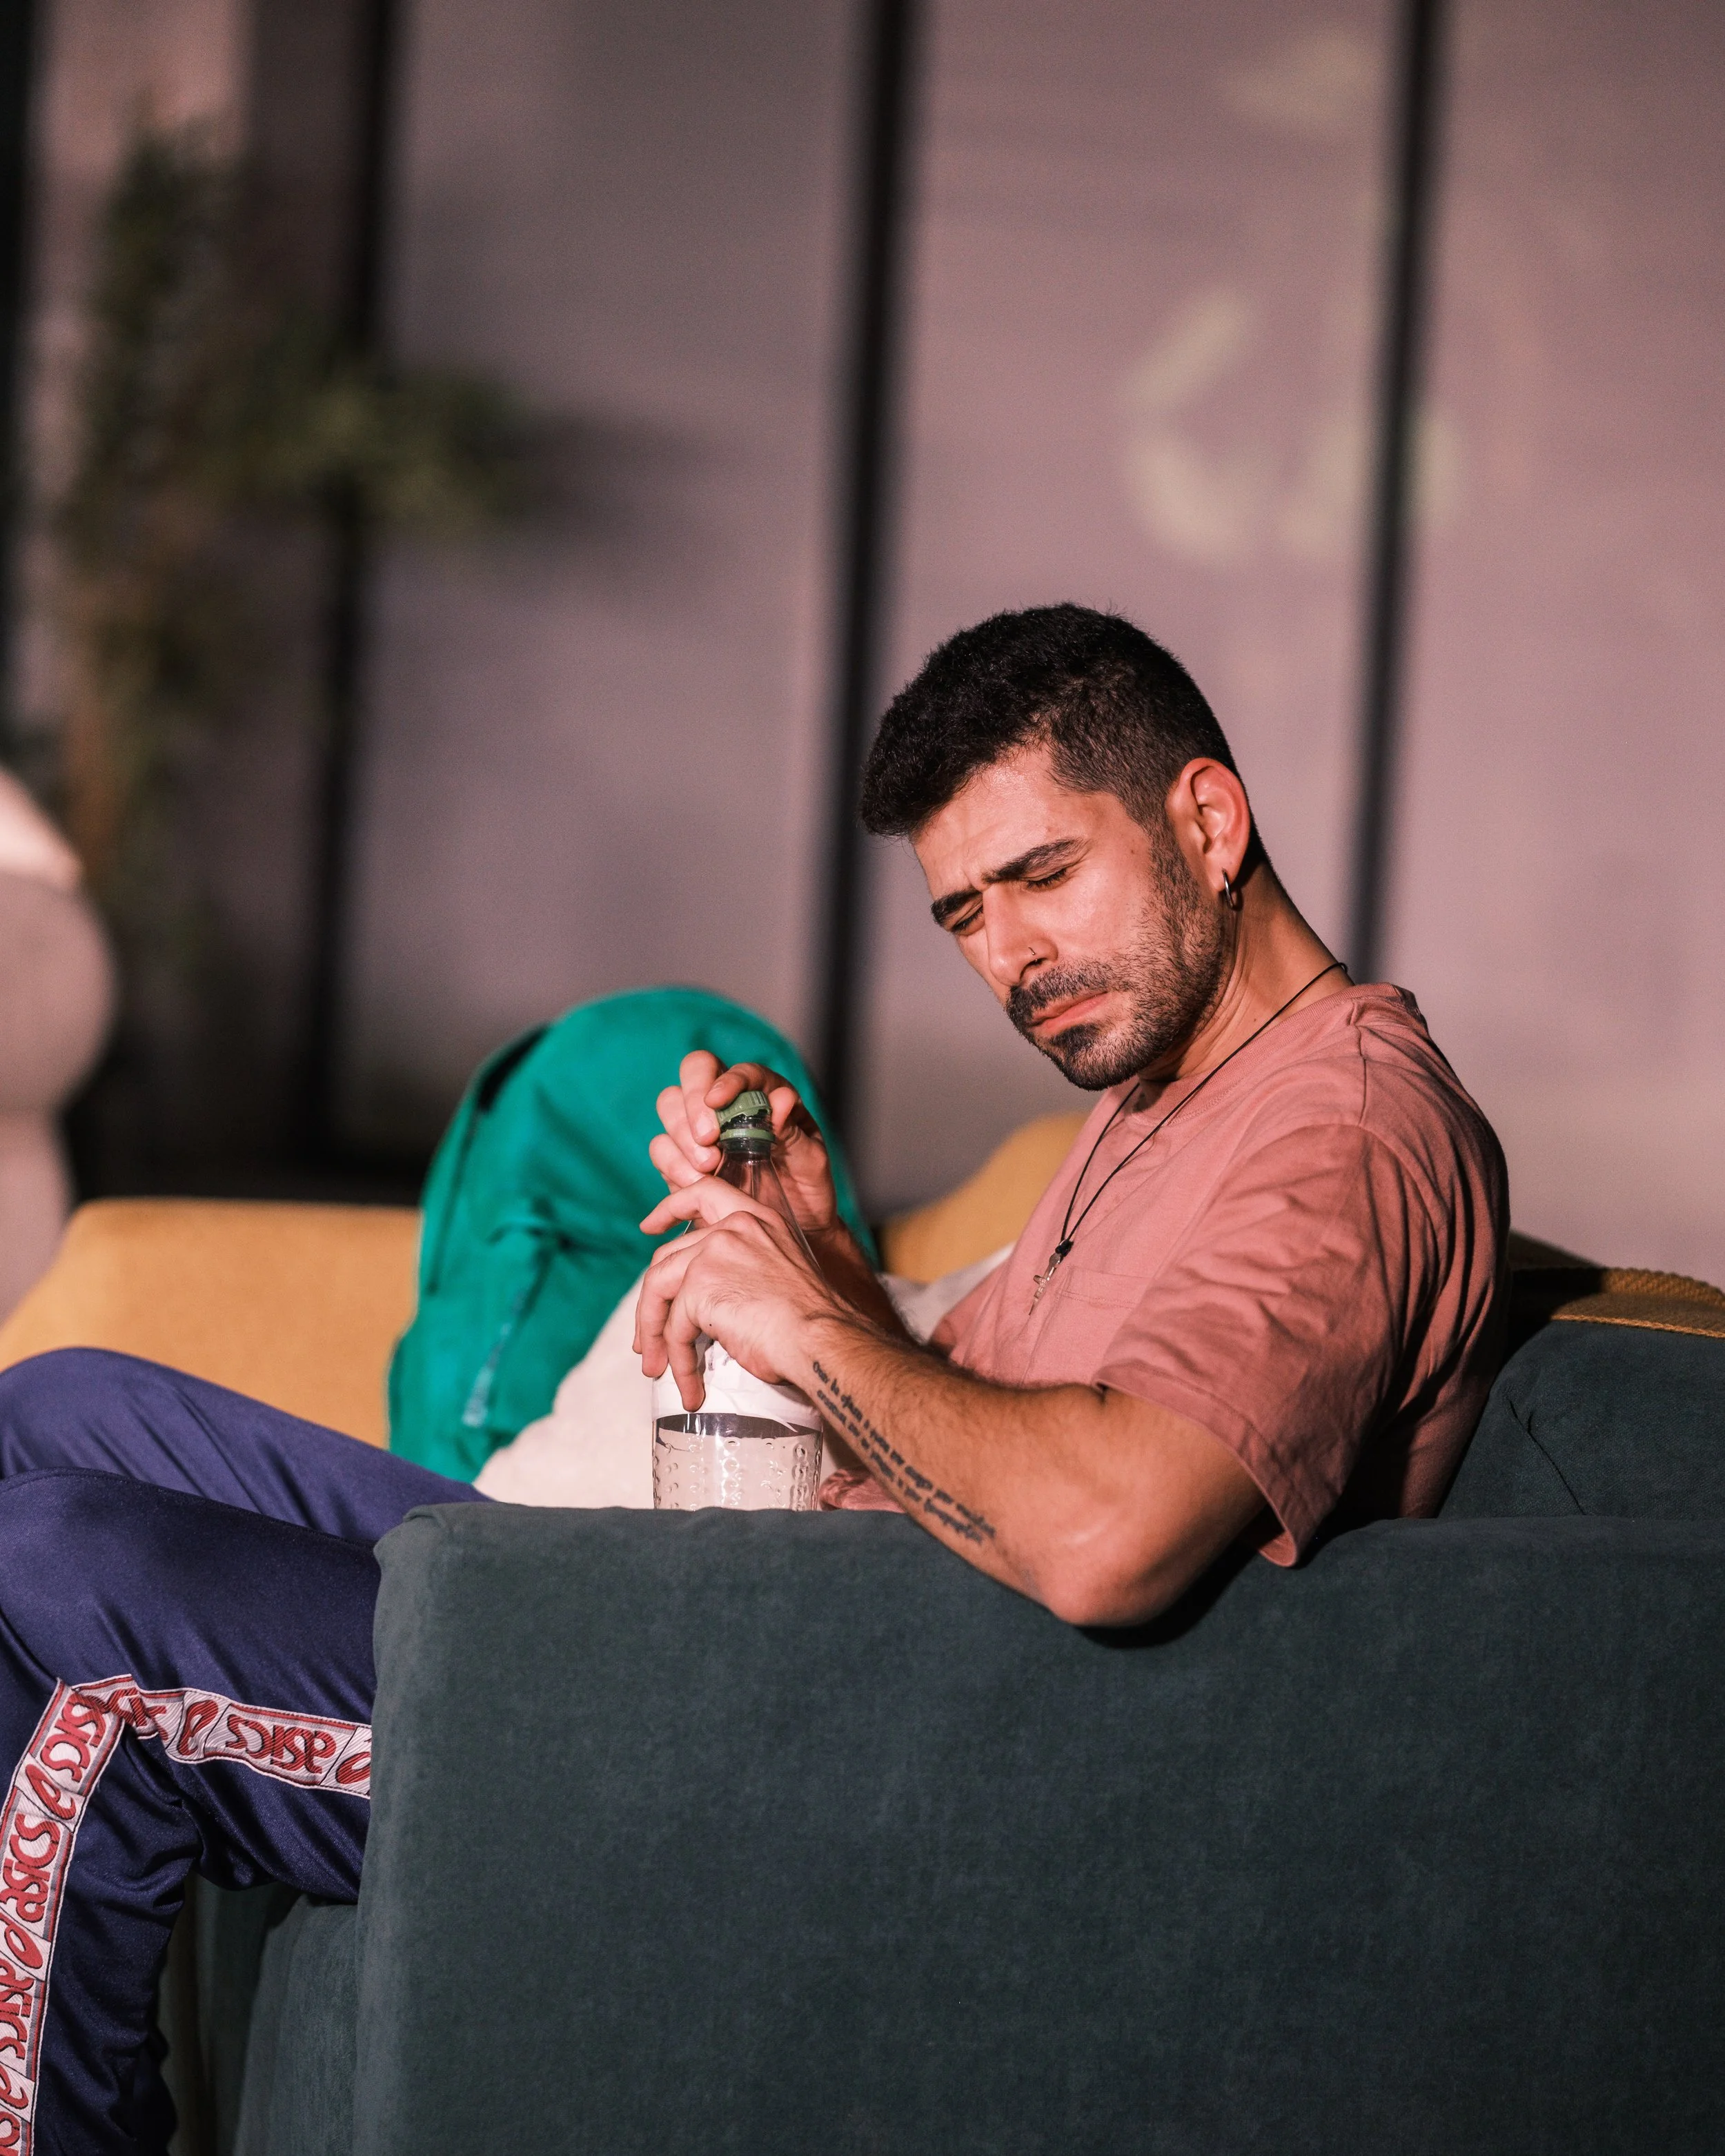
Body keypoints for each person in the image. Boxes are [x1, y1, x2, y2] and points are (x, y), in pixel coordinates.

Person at [0, 604, 1503, 2150]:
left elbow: (1110, 1532)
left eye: (1046, 875)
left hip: (823, 1757)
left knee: (55, 1567)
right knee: (52, 1410)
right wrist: (813, 1247)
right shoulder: (1161, 1095)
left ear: (1206, 819)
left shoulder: (1343, 1131)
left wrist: (803, 1321)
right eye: (965, 912)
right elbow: (959, 1431)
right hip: (749, 1644)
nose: (1011, 956)